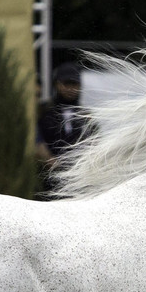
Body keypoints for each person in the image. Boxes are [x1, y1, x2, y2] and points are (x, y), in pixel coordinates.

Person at [35, 62, 85, 196]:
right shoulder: (43, 111)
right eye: (66, 84)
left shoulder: (86, 116)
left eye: (74, 84)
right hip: (45, 179)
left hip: (77, 179)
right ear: (57, 84)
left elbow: (94, 143)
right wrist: (50, 161)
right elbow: (35, 138)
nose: (70, 88)